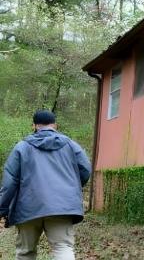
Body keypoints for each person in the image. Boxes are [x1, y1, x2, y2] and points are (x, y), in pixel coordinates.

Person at [0, 110, 91, 260]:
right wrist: (70, 187)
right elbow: (85, 169)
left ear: (34, 126)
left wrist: (2, 207)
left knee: (25, 253)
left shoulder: (21, 147)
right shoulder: (70, 145)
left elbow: (10, 181)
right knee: (63, 248)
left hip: (27, 207)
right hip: (62, 206)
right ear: (55, 125)